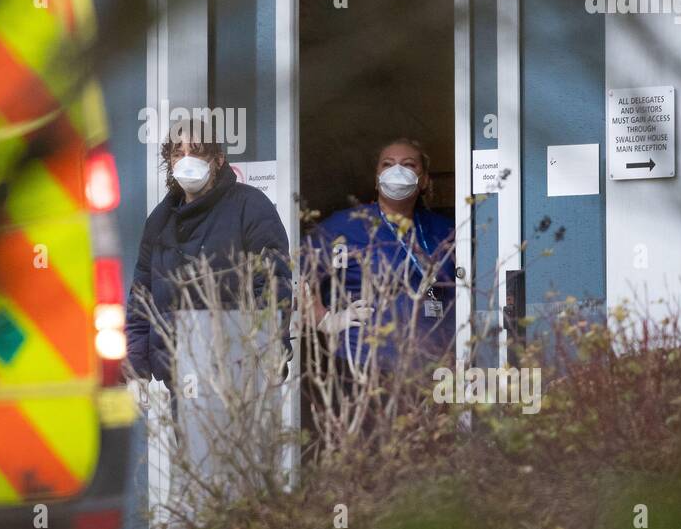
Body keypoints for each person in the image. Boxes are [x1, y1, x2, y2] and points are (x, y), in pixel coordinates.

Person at [123, 123, 291, 386]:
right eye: (178, 153)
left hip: (238, 370)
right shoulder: (160, 220)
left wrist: (269, 350)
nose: (186, 160)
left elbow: (272, 284)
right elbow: (141, 297)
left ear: (219, 159)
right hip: (180, 371)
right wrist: (137, 368)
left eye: (197, 151)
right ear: (169, 160)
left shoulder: (250, 207)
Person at [307, 137, 456, 374]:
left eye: (409, 165)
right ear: (377, 180)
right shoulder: (343, 226)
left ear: (425, 180)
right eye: (387, 164)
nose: (397, 170)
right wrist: (326, 321)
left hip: (432, 362)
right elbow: (296, 277)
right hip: (361, 363)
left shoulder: (445, 230)